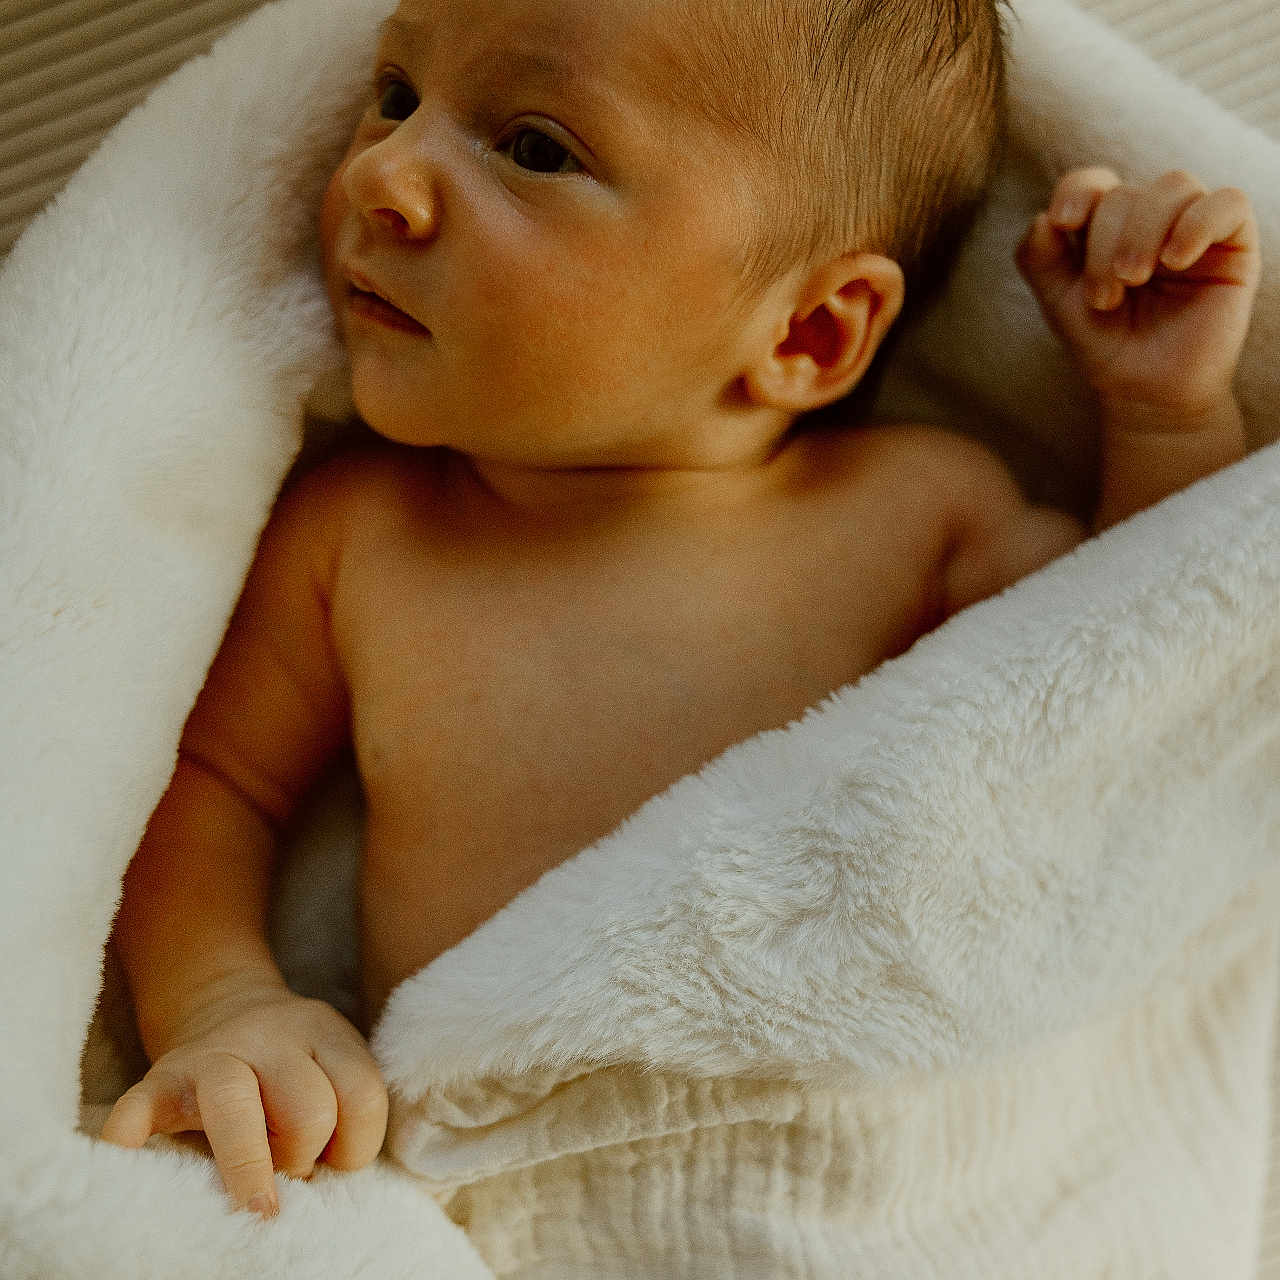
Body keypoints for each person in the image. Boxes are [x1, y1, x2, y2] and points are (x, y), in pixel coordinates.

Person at [99, 0, 1261, 1221]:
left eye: (535, 148)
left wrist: (1162, 418)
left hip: (891, 1160)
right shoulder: (360, 538)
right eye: (395, 92)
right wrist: (229, 1002)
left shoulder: (913, 513)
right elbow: (205, 785)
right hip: (525, 1194)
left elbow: (1137, 702)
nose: (382, 171)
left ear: (811, 331)